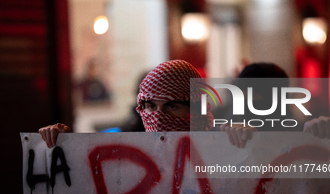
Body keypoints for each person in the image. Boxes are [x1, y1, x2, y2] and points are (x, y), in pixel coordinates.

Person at [39, 59, 214, 148]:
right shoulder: (130, 141)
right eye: (151, 106)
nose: (158, 118)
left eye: (172, 106)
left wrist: (238, 139)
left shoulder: (216, 147)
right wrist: (67, 144)